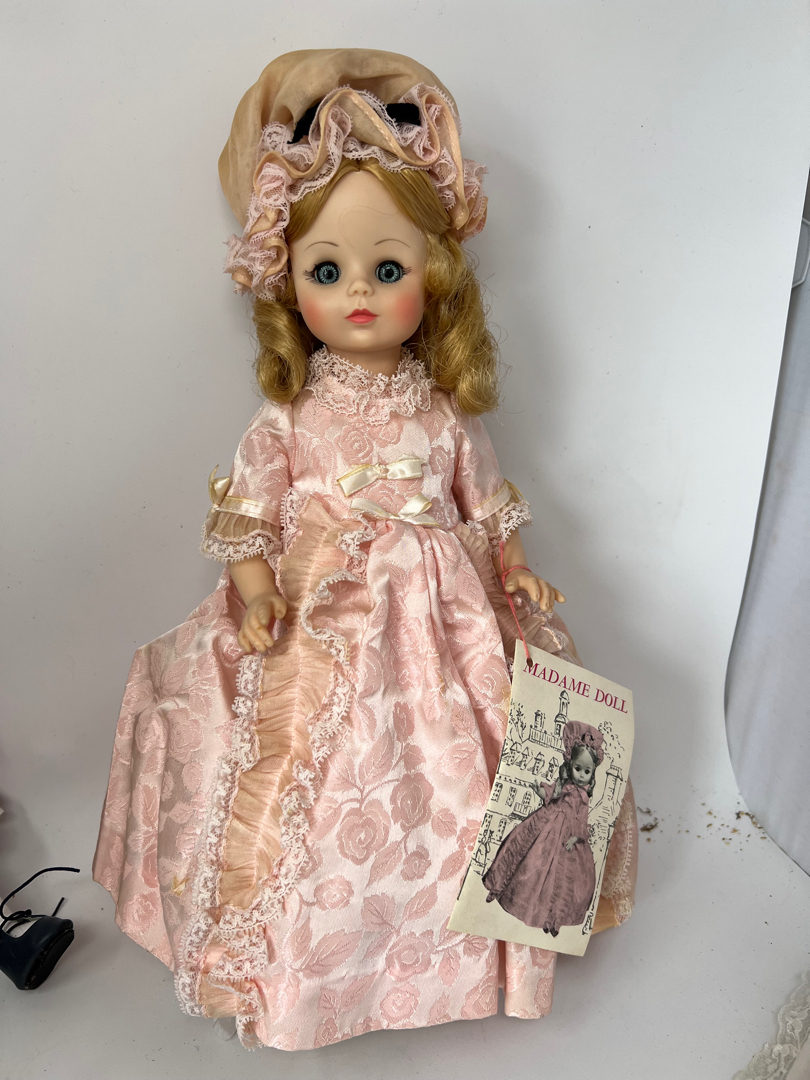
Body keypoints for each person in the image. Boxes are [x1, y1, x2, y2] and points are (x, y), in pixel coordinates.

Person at [92, 48, 637, 1051]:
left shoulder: (444, 412)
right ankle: (318, 969)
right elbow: (249, 522)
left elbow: (488, 505)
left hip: (445, 629)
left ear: (433, 277)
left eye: (387, 271)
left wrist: (517, 570)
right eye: (326, 271)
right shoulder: (290, 417)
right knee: (313, 790)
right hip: (323, 629)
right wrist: (257, 592)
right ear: (287, 282)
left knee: (468, 780)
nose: (358, 294)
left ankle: (458, 956)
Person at [483, 723, 603, 936]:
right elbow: (552, 793)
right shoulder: (564, 783)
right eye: (578, 769)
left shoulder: (583, 796)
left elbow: (581, 820)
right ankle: (501, 889)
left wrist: (575, 837)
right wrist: (541, 792)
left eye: (587, 771)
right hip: (548, 821)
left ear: (592, 772)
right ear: (570, 764)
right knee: (530, 857)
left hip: (568, 833)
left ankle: (551, 918)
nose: (581, 775)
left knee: (560, 877)